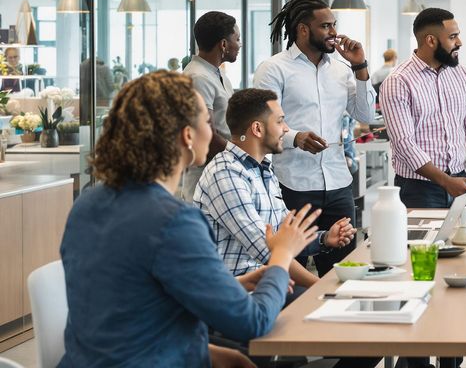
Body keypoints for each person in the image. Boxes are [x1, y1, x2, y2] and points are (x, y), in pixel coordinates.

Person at [59, 70, 320, 367]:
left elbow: (135, 312)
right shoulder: (174, 222)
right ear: (187, 136)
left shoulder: (87, 203)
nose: (214, 132)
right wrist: (282, 255)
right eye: (208, 123)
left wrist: (237, 284)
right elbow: (252, 323)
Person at [253, 0, 375, 276]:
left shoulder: (342, 71)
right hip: (293, 186)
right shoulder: (274, 69)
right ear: (303, 29)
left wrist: (360, 66)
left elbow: (366, 116)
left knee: (345, 273)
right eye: (326, 26)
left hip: (338, 185)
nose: (334, 33)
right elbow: (261, 124)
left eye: (334, 25)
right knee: (291, 273)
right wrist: (295, 137)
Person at [194, 88, 357, 291]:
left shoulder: (263, 170)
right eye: (280, 121)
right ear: (258, 129)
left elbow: (284, 235)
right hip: (238, 292)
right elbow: (268, 250)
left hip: (267, 282)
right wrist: (321, 288)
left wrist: (325, 238)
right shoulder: (225, 174)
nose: (286, 129)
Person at [380, 7, 466, 209]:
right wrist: (445, 181)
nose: (459, 42)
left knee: (465, 239)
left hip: (460, 180)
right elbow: (404, 144)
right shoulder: (398, 82)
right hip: (418, 188)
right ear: (431, 41)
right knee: (424, 242)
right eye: (453, 37)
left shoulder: (462, 75)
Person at [182, 11, 240, 200]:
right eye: (237, 39)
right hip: (205, 177)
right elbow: (207, 136)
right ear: (223, 44)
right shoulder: (198, 77)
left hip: (222, 170)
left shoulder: (216, 73)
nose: (239, 45)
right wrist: (244, 156)